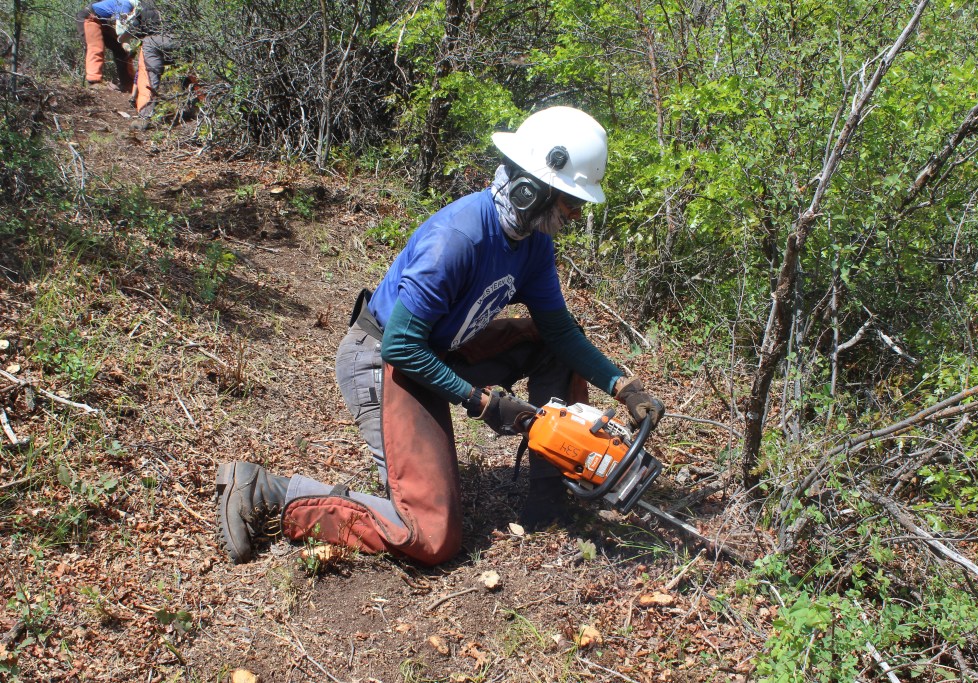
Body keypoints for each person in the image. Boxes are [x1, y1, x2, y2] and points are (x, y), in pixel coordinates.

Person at [216, 106, 666, 566]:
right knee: (430, 537)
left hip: (441, 346)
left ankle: (548, 500)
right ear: (532, 190)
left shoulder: (533, 244)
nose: (572, 215)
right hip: (383, 360)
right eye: (569, 203)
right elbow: (400, 345)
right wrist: (481, 401)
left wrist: (622, 385)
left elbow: (559, 330)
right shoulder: (458, 239)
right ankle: (268, 491)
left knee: (549, 345)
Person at [115, 0, 177, 130]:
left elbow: (135, 30)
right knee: (192, 71)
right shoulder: (178, 4)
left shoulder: (145, 5)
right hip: (183, 41)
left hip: (155, 43)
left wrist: (124, 39)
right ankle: (203, 104)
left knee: (147, 69)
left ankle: (145, 115)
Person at [75, 0, 135, 92]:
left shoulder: (135, 7)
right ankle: (94, 81)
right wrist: (128, 44)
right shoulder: (125, 4)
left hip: (104, 21)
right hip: (89, 17)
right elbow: (121, 29)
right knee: (95, 46)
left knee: (121, 49)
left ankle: (128, 83)